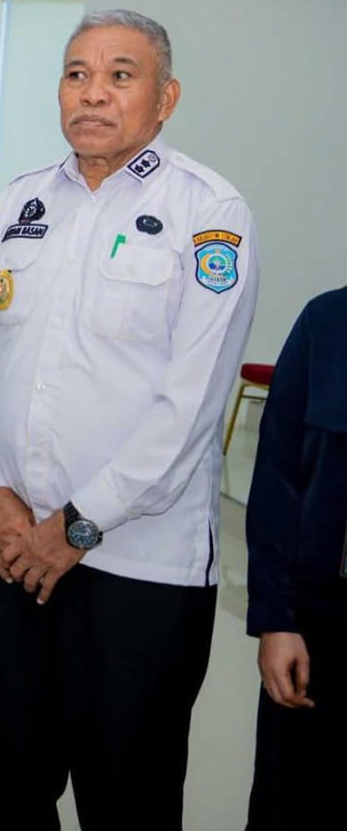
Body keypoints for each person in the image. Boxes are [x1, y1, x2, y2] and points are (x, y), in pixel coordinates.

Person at [0, 8, 259, 830]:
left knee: (127, 802)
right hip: (17, 554)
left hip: (138, 571)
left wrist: (77, 526)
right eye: (77, 74)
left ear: (166, 98)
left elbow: (189, 408)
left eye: (121, 75)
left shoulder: (208, 213)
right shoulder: (21, 201)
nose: (93, 93)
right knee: (5, 793)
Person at [244, 287, 347, 831]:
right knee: (291, 802)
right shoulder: (326, 321)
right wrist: (276, 620)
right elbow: (276, 478)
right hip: (319, 626)